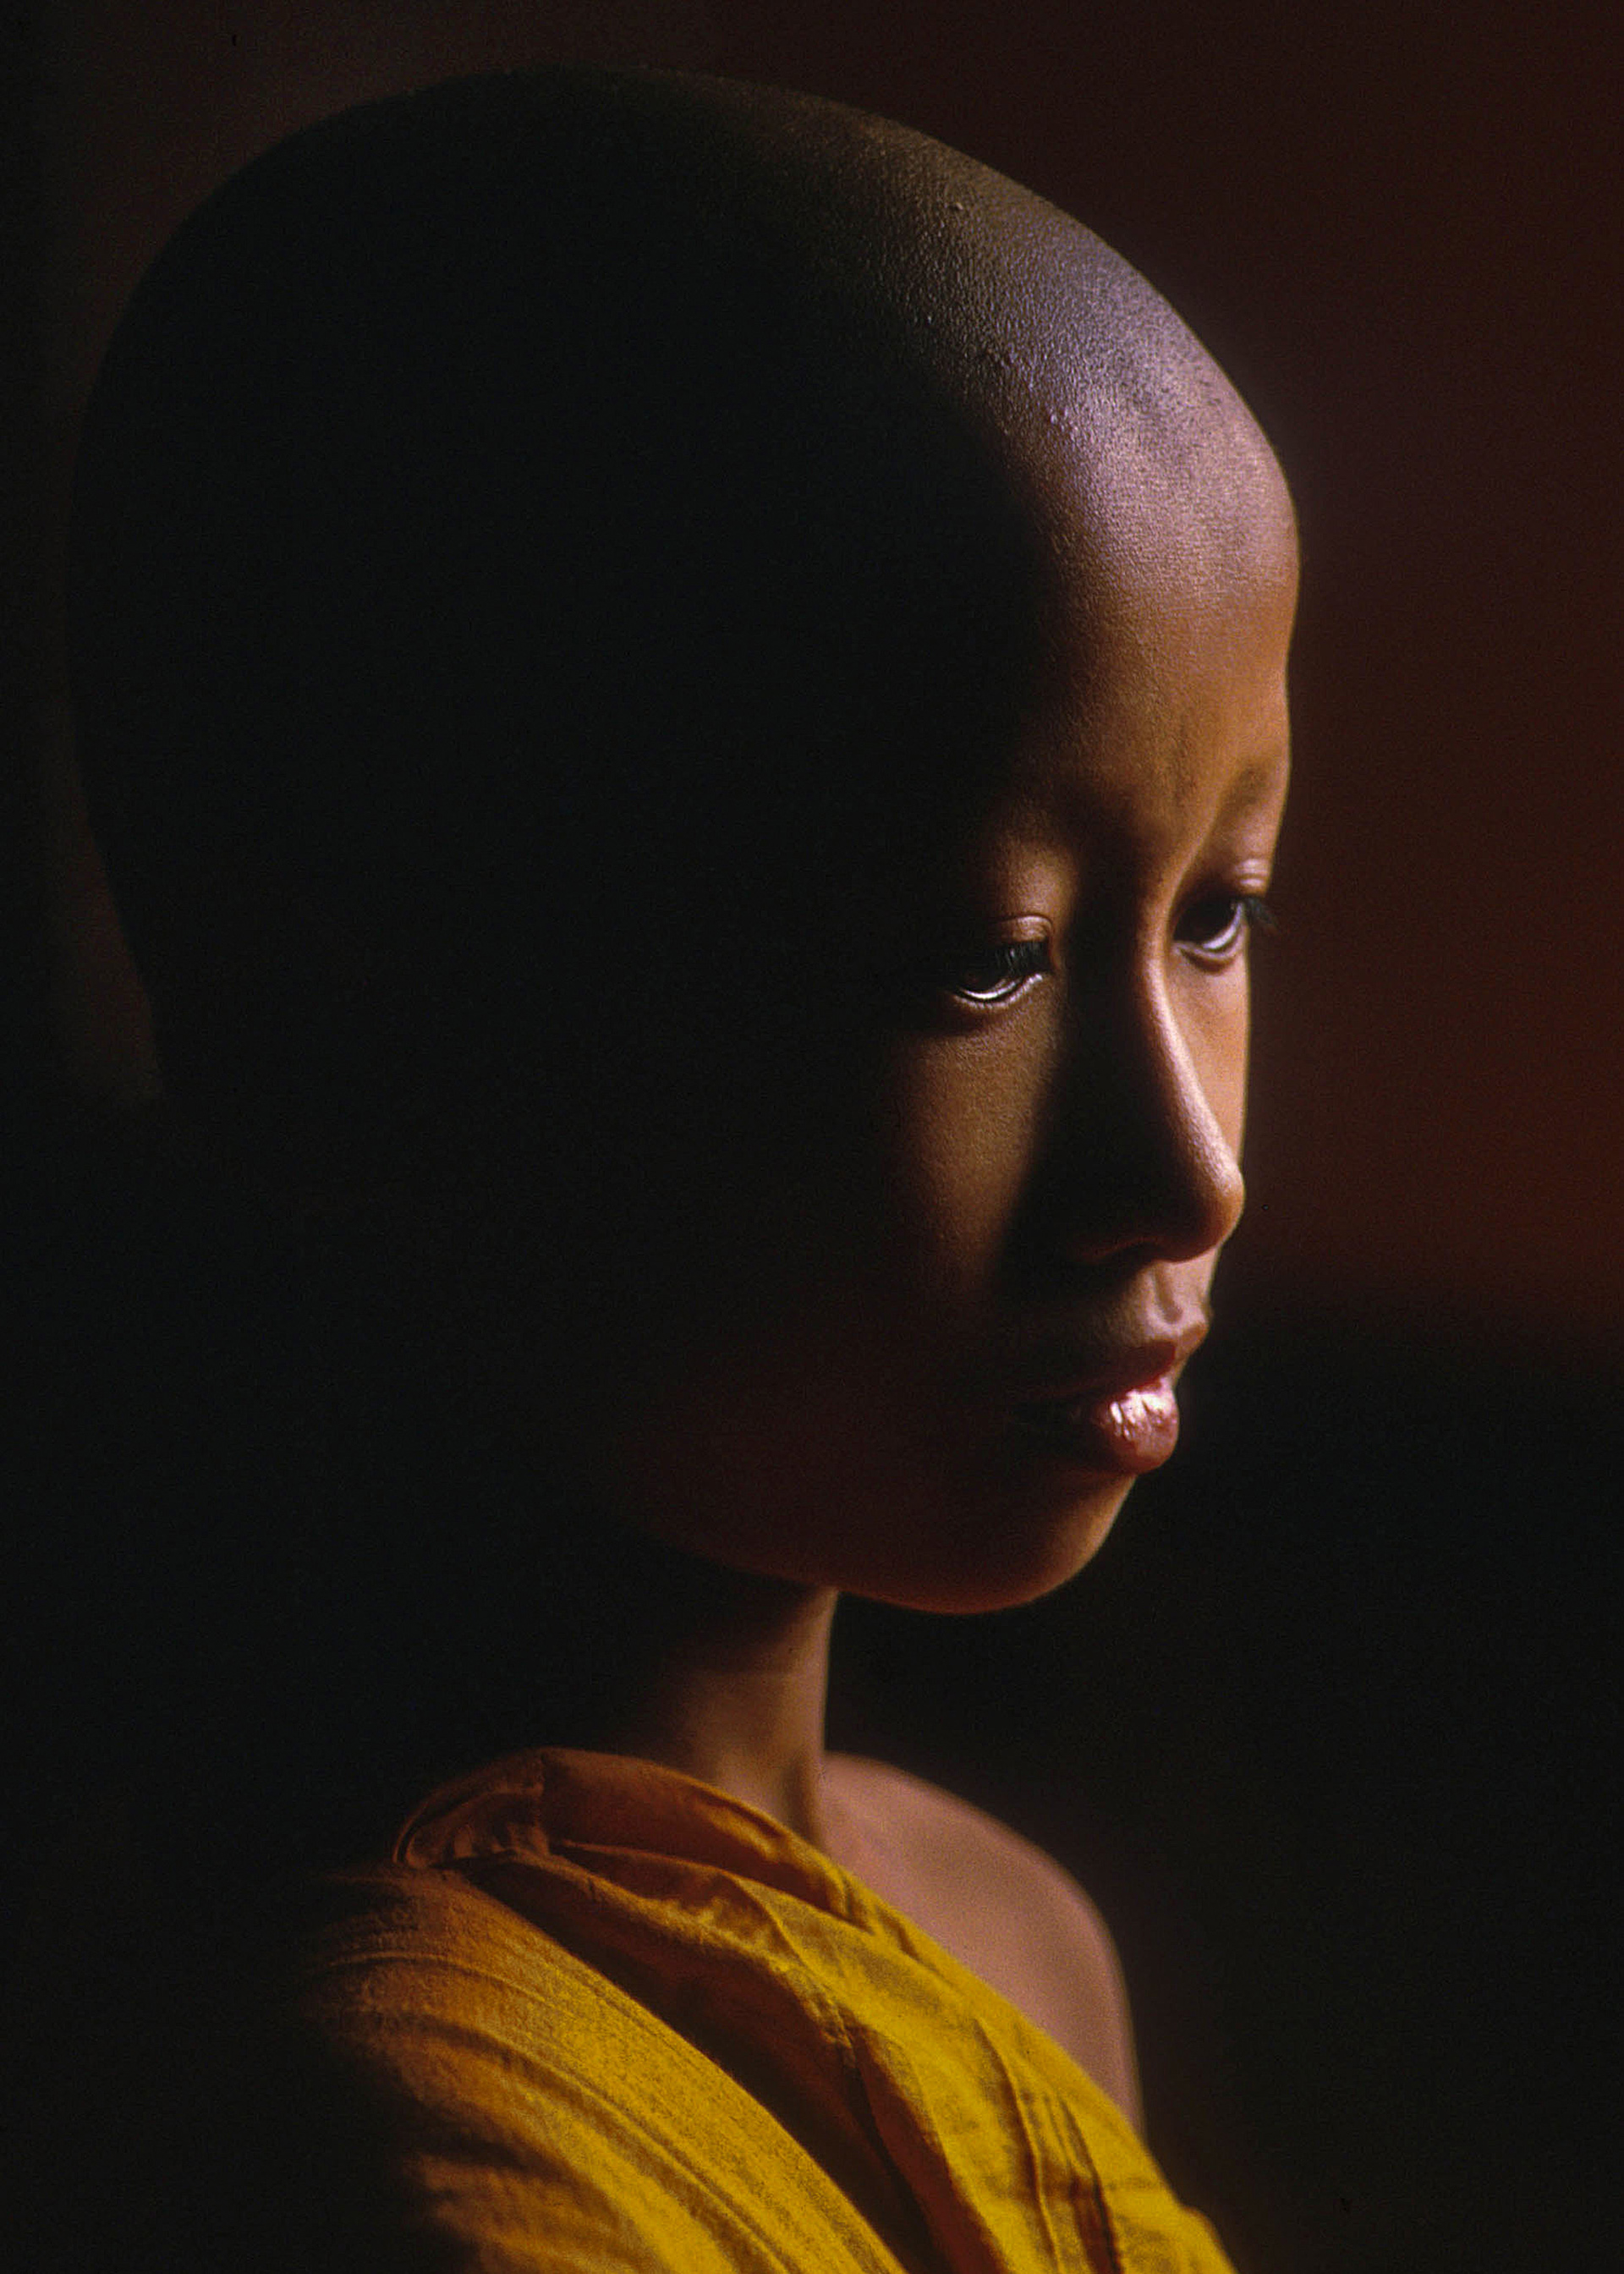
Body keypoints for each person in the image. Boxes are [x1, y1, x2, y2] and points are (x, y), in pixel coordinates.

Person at [8, 65, 1295, 2271]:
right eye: (979, 960)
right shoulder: (400, 2141)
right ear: (354, 1015)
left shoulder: (1010, 1932)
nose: (1183, 1176)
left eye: (1218, 912)